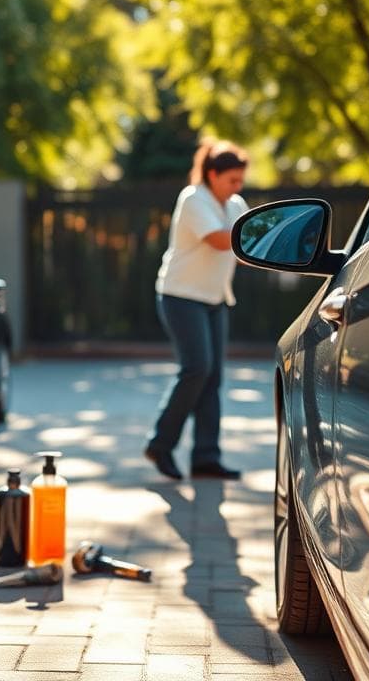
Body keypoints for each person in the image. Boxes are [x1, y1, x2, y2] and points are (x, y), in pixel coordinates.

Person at [145, 139, 250, 481]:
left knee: (212, 377)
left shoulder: (234, 204)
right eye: (232, 179)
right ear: (212, 174)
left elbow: (250, 239)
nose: (238, 186)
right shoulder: (193, 199)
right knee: (197, 369)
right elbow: (221, 241)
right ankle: (161, 444)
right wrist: (252, 234)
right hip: (180, 296)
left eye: (240, 180)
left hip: (215, 298)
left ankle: (205, 457)